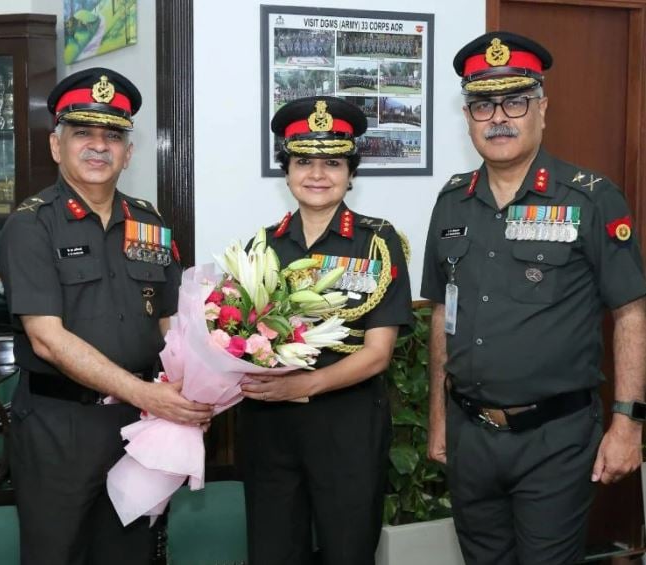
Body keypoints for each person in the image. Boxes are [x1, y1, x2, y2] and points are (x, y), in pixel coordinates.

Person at [422, 31, 646, 565]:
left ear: (542, 108)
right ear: (468, 116)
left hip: (556, 438)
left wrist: (628, 423)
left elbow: (631, 312)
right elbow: (439, 313)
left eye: (515, 100)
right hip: (471, 435)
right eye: (482, 104)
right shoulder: (452, 201)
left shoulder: (589, 198)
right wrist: (437, 419)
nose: (498, 117)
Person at [0, 67, 213, 565]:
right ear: (56, 146)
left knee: (131, 552)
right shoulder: (31, 226)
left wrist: (198, 385)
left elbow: (172, 321)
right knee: (57, 552)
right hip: (60, 424)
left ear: (129, 152)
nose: (98, 147)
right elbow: (46, 338)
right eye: (83, 134)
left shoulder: (150, 223)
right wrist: (147, 395)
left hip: (140, 424)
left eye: (112, 136)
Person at [240, 96, 413, 565]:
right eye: (304, 162)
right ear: (287, 170)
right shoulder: (262, 244)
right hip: (271, 425)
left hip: (346, 420)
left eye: (333, 163)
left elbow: (378, 353)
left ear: (351, 173)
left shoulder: (379, 243)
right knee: (272, 551)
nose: (317, 174)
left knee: (347, 550)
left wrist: (308, 384)